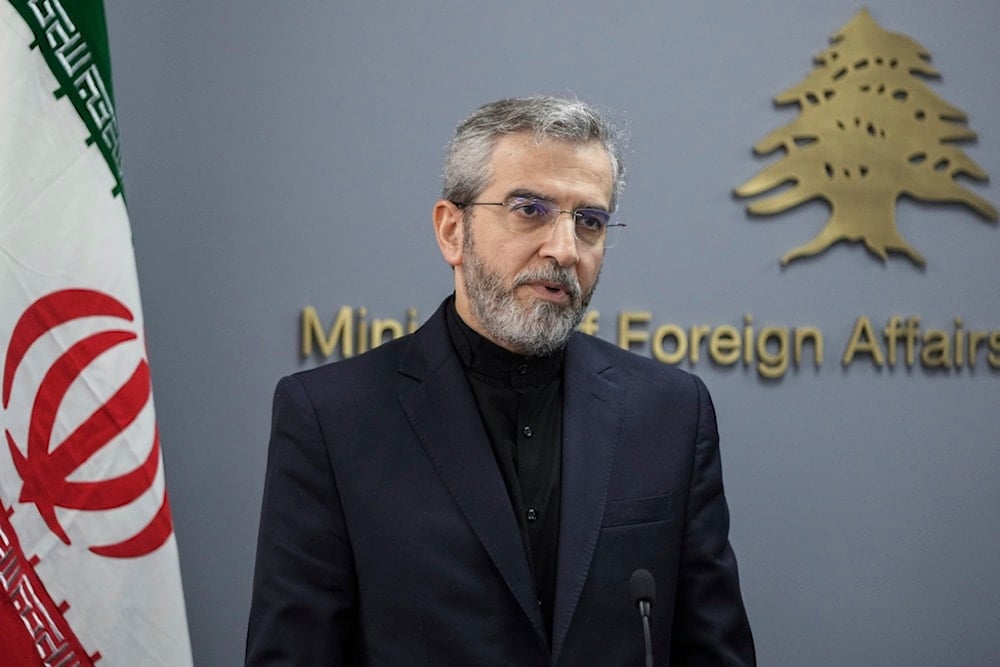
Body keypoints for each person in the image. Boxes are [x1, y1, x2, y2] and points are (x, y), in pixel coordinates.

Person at [246, 96, 755, 666]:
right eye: (530, 209)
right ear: (451, 231)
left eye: (590, 221)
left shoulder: (670, 413)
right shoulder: (332, 419)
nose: (564, 249)